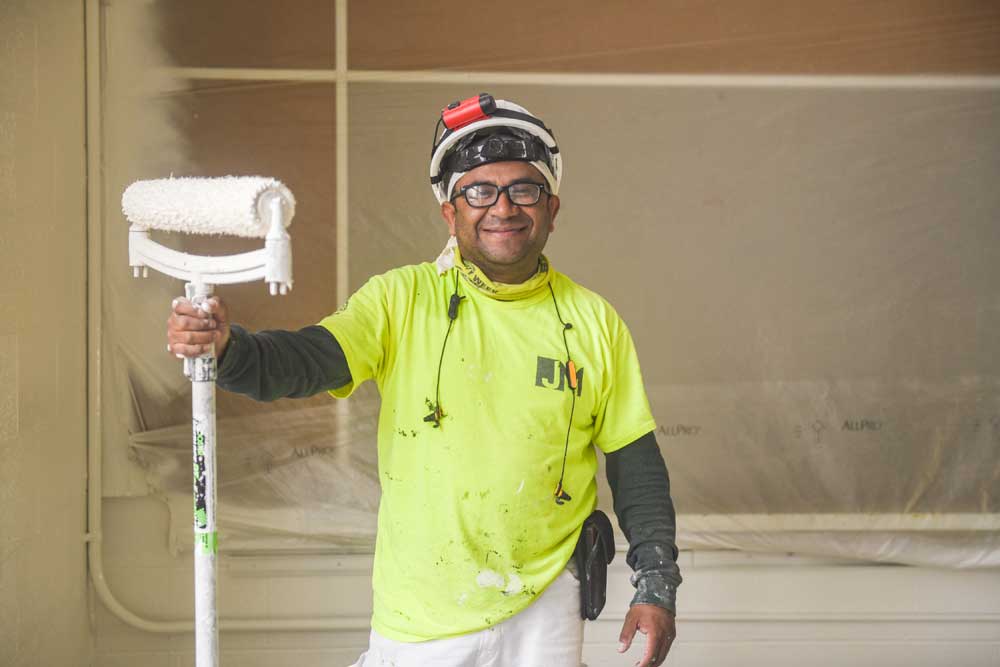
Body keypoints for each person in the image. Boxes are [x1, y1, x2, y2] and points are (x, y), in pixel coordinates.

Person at [167, 94, 681, 667]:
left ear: (552, 208)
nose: (503, 208)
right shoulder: (402, 299)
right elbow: (310, 358)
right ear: (450, 212)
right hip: (424, 617)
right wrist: (231, 350)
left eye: (524, 189)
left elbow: (636, 463)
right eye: (479, 191)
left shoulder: (594, 322)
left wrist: (656, 581)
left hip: (547, 607)